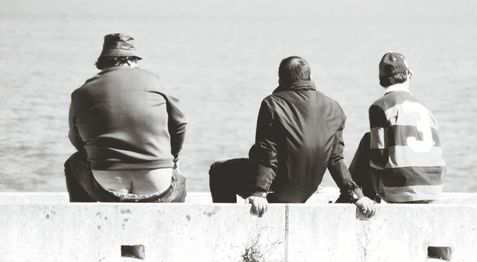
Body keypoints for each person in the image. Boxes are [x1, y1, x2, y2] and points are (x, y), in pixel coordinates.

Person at [209, 56, 376, 217]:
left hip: (278, 189)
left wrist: (259, 192)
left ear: (281, 79)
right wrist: (357, 195)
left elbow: (267, 154)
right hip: (305, 192)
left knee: (219, 170)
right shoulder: (334, 108)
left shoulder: (273, 104)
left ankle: (227, 225)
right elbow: (335, 159)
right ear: (308, 76)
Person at [64, 33, 187, 202]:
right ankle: (174, 225)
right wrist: (174, 158)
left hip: (106, 189)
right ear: (130, 60)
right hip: (159, 188)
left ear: (103, 62)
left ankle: (84, 223)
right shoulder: (154, 81)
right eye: (136, 61)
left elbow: (77, 140)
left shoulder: (81, 92)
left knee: (74, 163)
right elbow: (179, 125)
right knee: (179, 179)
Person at [345, 52, 445, 203]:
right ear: (409, 74)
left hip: (400, 189)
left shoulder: (380, 106)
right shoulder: (426, 109)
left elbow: (377, 157)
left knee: (368, 140)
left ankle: (349, 194)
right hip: (434, 187)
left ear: (381, 80)